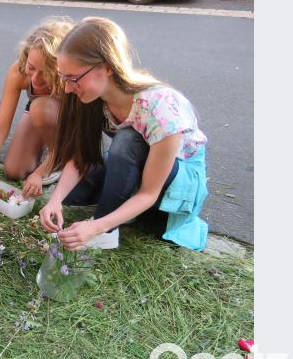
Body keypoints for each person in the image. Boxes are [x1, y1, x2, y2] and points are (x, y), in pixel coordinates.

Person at [39, 17, 209, 252]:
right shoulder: (89, 96)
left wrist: (97, 226)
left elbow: (149, 193)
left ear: (107, 67)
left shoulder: (161, 110)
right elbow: (81, 157)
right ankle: (113, 210)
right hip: (136, 163)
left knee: (126, 141)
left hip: (173, 180)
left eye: (73, 78)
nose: (67, 88)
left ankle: (108, 231)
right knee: (74, 196)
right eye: (63, 77)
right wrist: (55, 200)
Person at [0, 17, 73, 208]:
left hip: (67, 116)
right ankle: (46, 142)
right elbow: (0, 127)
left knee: (41, 108)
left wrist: (41, 171)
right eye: (31, 67)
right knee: (14, 170)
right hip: (40, 112)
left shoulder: (70, 77)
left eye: (45, 72)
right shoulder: (18, 70)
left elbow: (81, 129)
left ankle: (59, 157)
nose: (35, 79)